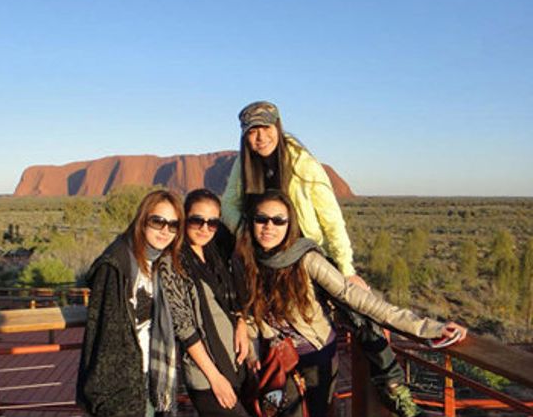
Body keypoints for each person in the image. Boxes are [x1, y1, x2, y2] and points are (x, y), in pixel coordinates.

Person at [221, 100, 424, 416]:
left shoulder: (302, 162)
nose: (260, 137)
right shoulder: (244, 164)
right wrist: (246, 233)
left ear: (278, 126)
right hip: (268, 253)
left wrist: (346, 268)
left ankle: (393, 387)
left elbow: (330, 217)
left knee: (358, 311)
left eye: (265, 128)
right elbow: (229, 205)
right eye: (252, 131)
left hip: (309, 252)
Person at [237, 190, 467, 417]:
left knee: (319, 412)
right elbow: (248, 313)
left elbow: (360, 300)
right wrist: (253, 353)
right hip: (277, 357)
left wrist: (427, 328)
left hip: (315, 354)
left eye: (278, 220)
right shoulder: (245, 261)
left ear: (290, 225)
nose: (269, 227)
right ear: (252, 222)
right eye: (261, 219)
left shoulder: (307, 259)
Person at [76, 189, 184, 417]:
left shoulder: (160, 262)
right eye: (158, 221)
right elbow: (106, 339)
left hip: (151, 376)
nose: (165, 230)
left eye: (173, 225)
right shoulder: (116, 266)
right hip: (123, 387)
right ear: (142, 220)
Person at [161, 189, 251, 416]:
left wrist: (241, 321)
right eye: (197, 220)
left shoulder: (216, 253)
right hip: (206, 377)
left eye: (212, 223)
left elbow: (234, 298)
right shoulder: (171, 262)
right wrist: (215, 378)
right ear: (184, 219)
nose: (204, 228)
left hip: (233, 365)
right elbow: (184, 328)